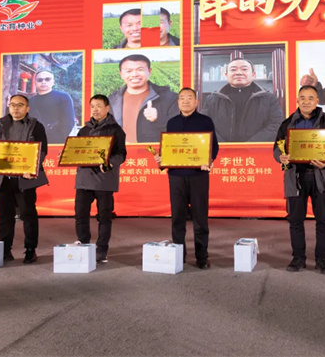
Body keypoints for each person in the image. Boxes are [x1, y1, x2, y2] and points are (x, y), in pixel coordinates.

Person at [0, 94, 48, 264]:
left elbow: (41, 151)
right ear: (8, 106)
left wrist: (32, 169)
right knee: (5, 216)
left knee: (28, 215)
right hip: (3, 179)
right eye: (12, 105)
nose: (15, 108)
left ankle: (30, 250)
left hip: (25, 179)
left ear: (27, 108)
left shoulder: (36, 126)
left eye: (20, 105)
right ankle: (5, 250)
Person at [273, 85, 325, 274]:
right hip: (296, 177)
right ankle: (298, 258)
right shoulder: (287, 124)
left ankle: (322, 260)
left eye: (311, 98)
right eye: (302, 97)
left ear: (317, 101)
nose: (306, 101)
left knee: (323, 220)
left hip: (320, 177)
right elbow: (277, 148)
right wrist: (281, 157)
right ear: (297, 100)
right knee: (295, 220)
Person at [153, 88, 219, 269]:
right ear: (178, 102)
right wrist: (162, 158)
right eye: (182, 98)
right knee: (177, 218)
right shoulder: (172, 123)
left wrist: (209, 160)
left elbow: (213, 146)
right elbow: (169, 148)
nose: (186, 101)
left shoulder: (205, 121)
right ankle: (178, 255)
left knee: (200, 218)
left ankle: (202, 256)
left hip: (198, 175)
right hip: (176, 176)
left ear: (196, 102)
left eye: (190, 98)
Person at [74, 94, 127, 263]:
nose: (95, 110)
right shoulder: (83, 130)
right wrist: (67, 156)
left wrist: (110, 163)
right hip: (84, 179)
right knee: (80, 214)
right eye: (92, 106)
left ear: (107, 108)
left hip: (104, 179)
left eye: (99, 106)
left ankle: (102, 249)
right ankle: (83, 244)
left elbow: (121, 154)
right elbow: (76, 151)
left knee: (104, 217)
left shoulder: (116, 130)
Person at [202, 58, 283, 142]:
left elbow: (276, 125)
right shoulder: (212, 99)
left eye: (244, 69)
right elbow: (203, 125)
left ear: (253, 74)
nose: (238, 73)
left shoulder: (269, 98)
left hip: (257, 149)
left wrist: (249, 145)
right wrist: (223, 145)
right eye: (233, 69)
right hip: (221, 149)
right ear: (226, 75)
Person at [108, 54, 178, 143]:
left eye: (140, 70)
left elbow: (180, 129)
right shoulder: (112, 100)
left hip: (152, 151)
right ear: (121, 74)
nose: (134, 74)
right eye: (128, 71)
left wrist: (158, 118)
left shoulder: (170, 98)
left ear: (149, 71)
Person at [28, 69, 75, 144]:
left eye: (47, 79)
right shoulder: (31, 101)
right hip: (37, 139)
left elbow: (68, 121)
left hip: (57, 140)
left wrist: (60, 138)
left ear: (53, 82)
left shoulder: (63, 97)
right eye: (40, 80)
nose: (43, 82)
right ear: (35, 83)